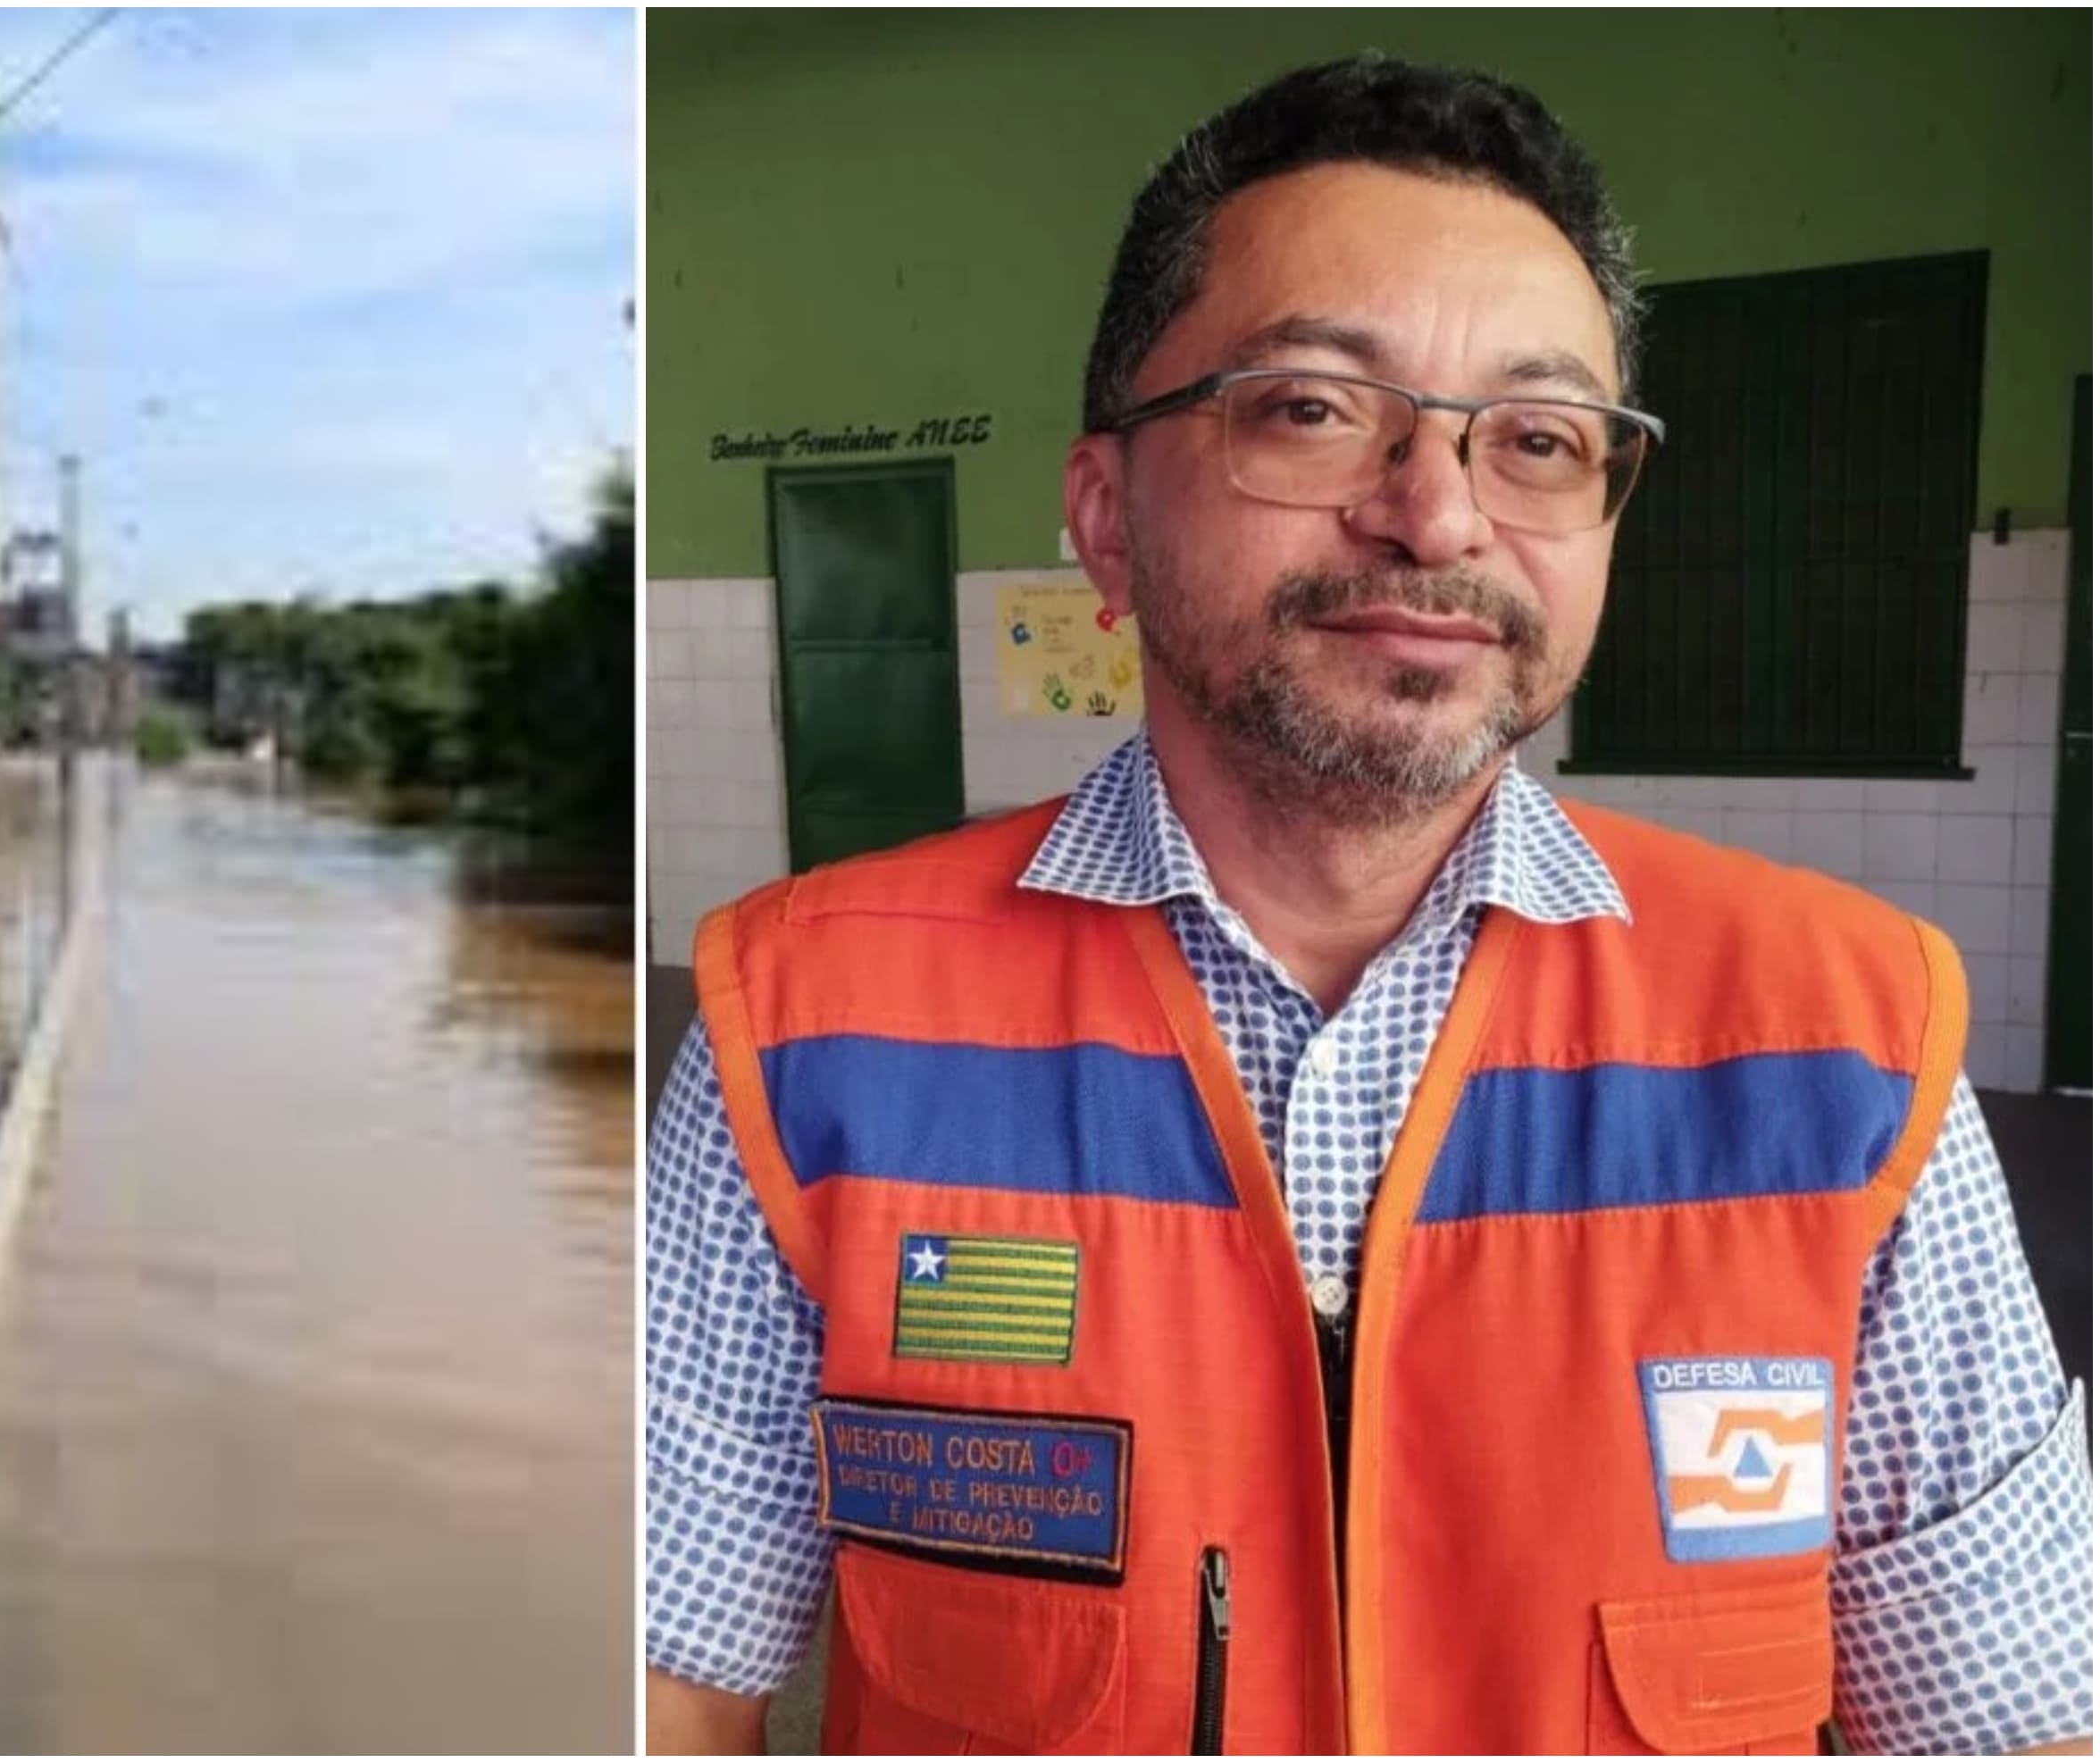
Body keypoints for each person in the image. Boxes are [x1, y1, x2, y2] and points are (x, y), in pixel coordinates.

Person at [644, 54, 2092, 1757]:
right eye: (1313, 408)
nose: (1441, 513)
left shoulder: (1843, 1038)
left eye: (1541, 438)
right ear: (1106, 518)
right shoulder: (803, 1029)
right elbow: (660, 1686)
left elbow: (2014, 1727)